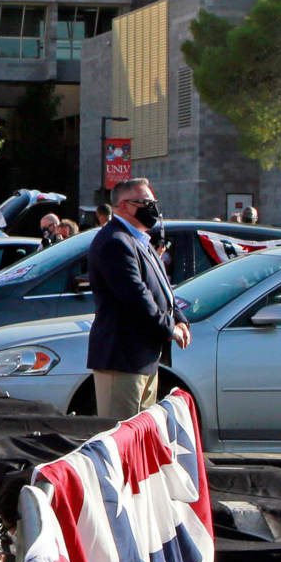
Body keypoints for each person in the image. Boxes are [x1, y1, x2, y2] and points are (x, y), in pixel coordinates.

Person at [84, 178, 188, 420]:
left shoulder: (141, 240)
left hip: (144, 356)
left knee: (139, 438)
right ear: (122, 206)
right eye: (145, 202)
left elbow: (162, 289)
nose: (153, 208)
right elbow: (135, 295)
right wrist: (170, 328)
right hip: (122, 357)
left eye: (153, 202)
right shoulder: (115, 241)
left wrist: (180, 319)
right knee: (120, 435)